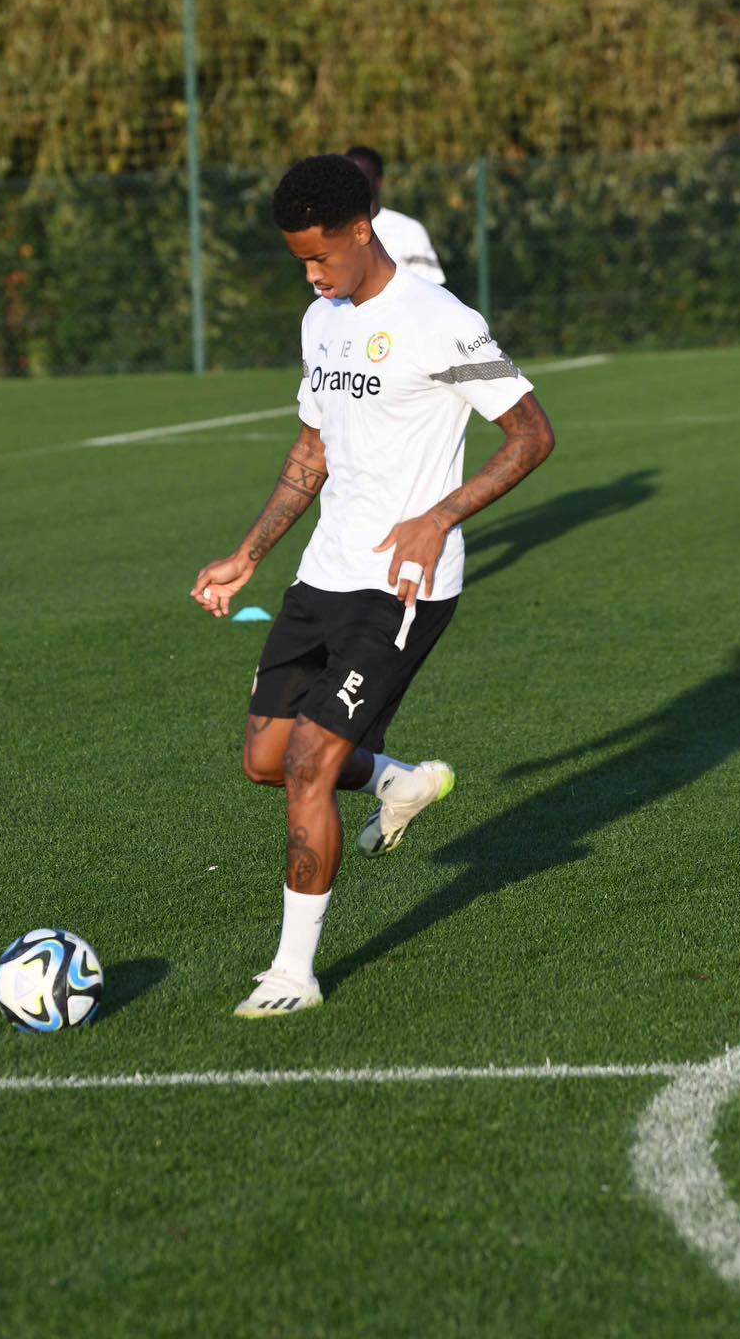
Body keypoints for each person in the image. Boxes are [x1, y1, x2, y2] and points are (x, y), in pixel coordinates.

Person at [191, 154, 554, 1018]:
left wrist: (440, 516)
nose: (312, 275)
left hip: (405, 585)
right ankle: (397, 778)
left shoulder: (438, 320)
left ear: (363, 229)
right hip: (326, 572)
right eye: (299, 262)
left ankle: (292, 973)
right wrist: (250, 553)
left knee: (314, 762)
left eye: (321, 257)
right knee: (265, 761)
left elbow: (532, 435)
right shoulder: (323, 321)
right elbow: (313, 450)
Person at [345, 144, 445, 285]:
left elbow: (430, 289)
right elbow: (327, 297)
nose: (352, 183)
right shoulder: (331, 232)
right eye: (347, 176)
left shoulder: (410, 231)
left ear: (379, 182)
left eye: (361, 176)